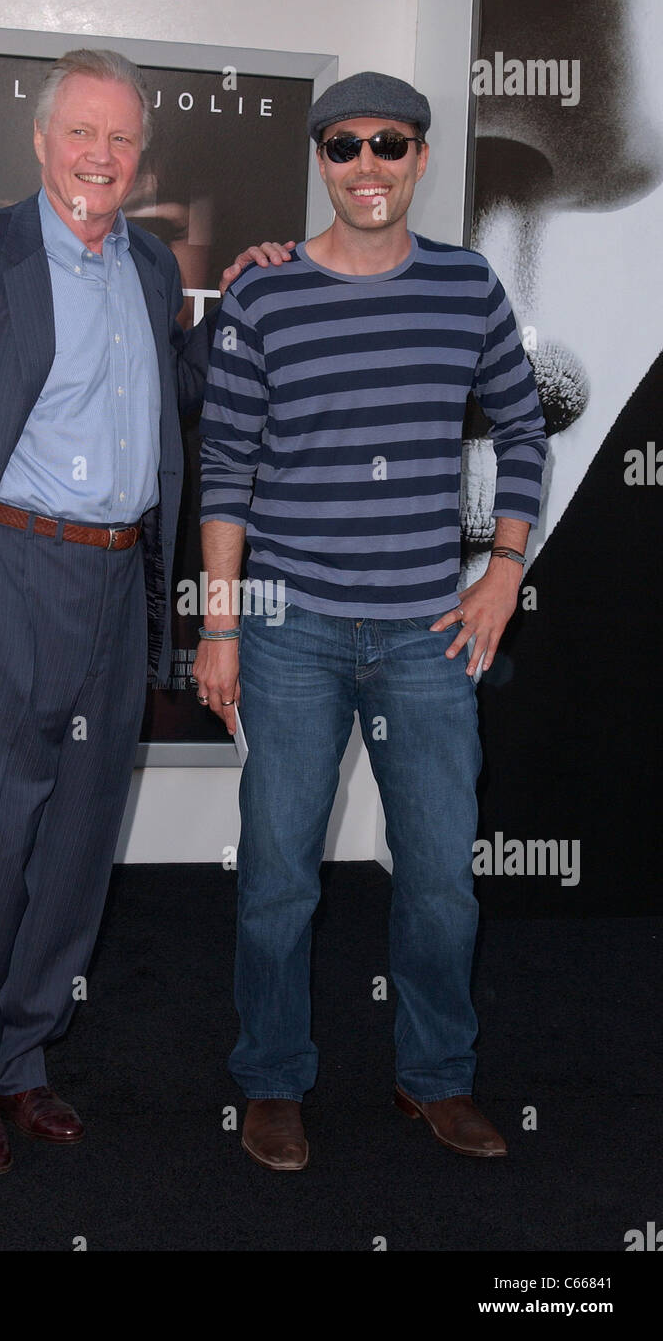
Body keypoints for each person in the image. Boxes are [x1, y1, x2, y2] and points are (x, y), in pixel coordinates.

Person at [0, 48, 291, 1175]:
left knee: (77, 855)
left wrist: (230, 309)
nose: (101, 155)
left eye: (122, 139)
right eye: (81, 134)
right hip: (6, 578)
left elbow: (169, 394)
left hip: (116, 586)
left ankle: (24, 1061)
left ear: (140, 157)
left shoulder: (149, 268)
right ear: (42, 143)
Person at [193, 71, 547, 1169]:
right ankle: (271, 1078)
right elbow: (226, 470)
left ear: (421, 158)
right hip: (292, 627)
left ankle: (435, 1078)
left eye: (389, 144)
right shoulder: (262, 296)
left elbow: (525, 429)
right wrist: (220, 623)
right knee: (279, 874)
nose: (367, 165)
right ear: (321, 159)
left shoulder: (468, 286)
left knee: (441, 875)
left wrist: (501, 571)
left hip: (427, 635)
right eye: (344, 146)